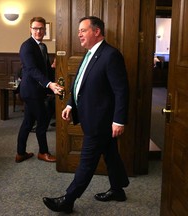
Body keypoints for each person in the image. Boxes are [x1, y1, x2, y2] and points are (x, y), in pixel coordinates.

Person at [42, 16, 129, 213]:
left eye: (83, 30)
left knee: (87, 162)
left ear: (96, 31)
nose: (79, 34)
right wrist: (71, 105)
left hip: (102, 120)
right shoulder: (89, 54)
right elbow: (79, 83)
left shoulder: (111, 55)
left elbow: (121, 91)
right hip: (90, 116)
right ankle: (118, 189)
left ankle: (68, 199)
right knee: (111, 154)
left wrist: (119, 120)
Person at [16, 17, 63, 163]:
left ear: (45, 30)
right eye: (35, 28)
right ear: (30, 29)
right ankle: (43, 152)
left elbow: (44, 67)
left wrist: (52, 69)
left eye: (41, 29)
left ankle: (20, 153)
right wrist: (49, 84)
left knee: (28, 122)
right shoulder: (27, 46)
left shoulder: (42, 46)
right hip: (30, 91)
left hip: (37, 91)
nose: (38, 31)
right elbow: (31, 69)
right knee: (42, 120)